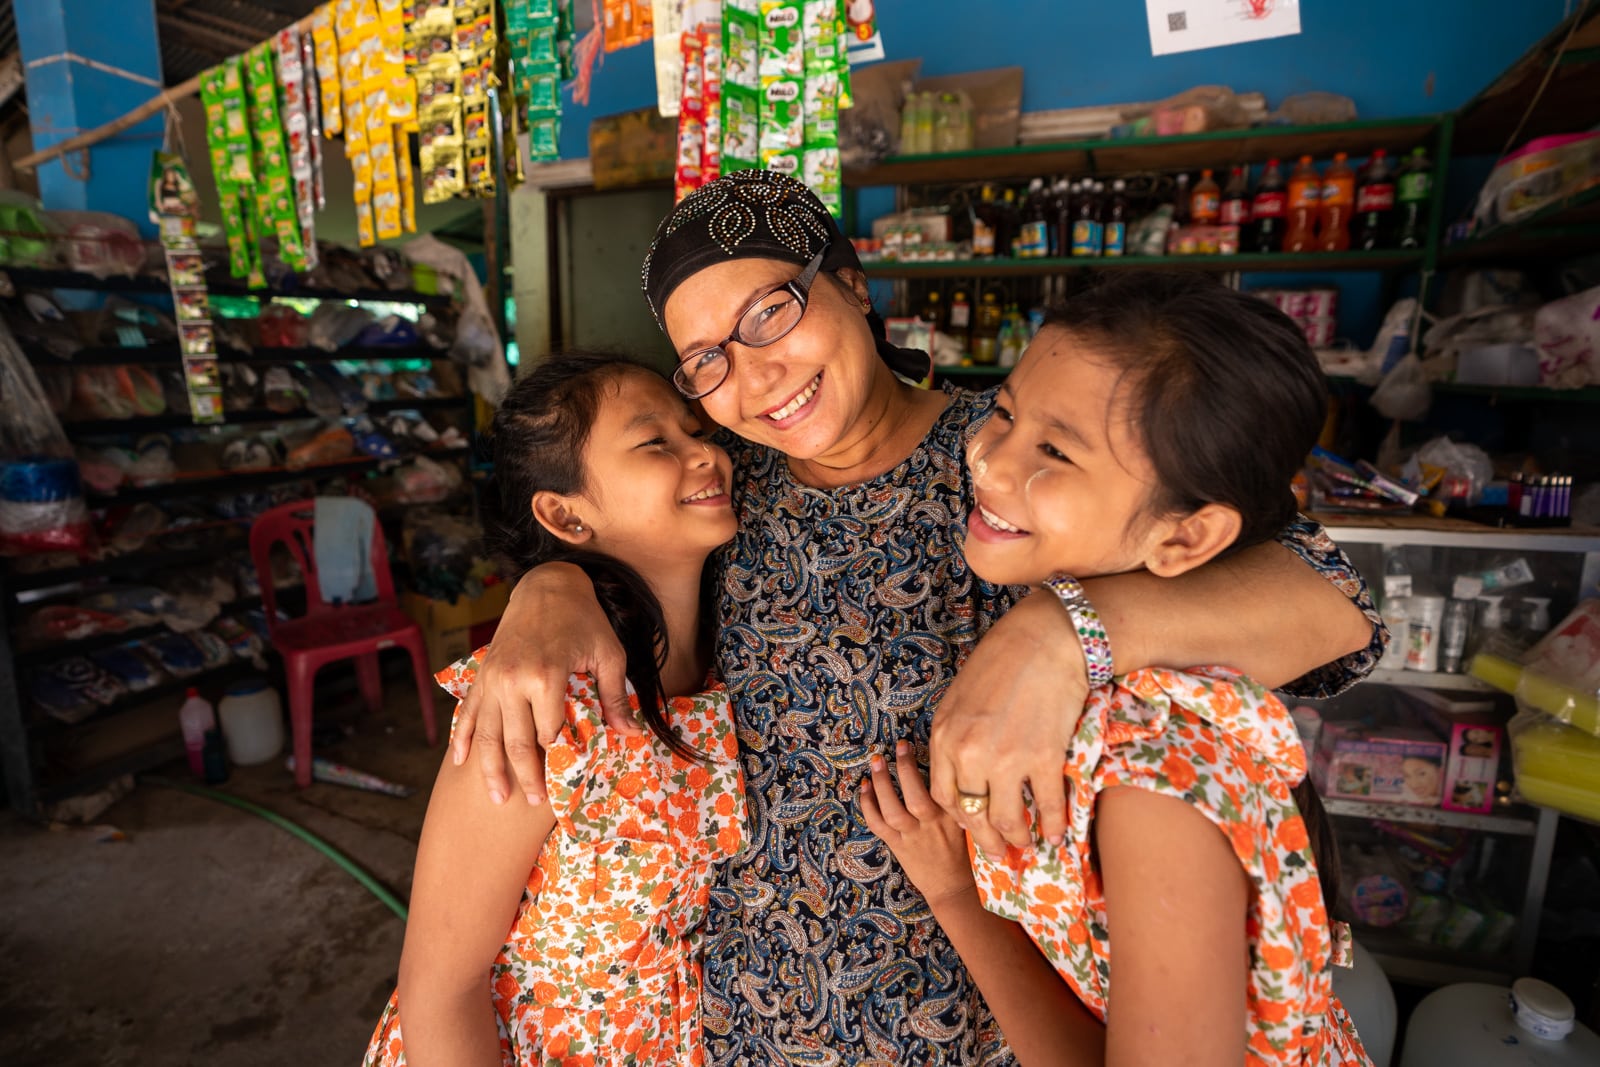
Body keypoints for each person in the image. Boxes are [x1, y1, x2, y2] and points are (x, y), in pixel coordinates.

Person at [452, 170, 1385, 1063]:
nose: (755, 372)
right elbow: (603, 554)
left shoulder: (1021, 468)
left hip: (1001, 1028)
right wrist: (551, 587)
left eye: (769, 311)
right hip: (752, 1024)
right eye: (707, 359)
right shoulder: (721, 494)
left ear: (853, 287)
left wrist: (1064, 631)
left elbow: (1337, 603)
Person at [859, 272, 1370, 1066]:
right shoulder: (1117, 676)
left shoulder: (1154, 774)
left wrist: (958, 897)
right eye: (1002, 410)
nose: (989, 460)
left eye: (1055, 450)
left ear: (1185, 537)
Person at [363, 352, 746, 1066]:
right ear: (565, 513)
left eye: (696, 431)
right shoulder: (540, 699)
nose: (707, 454)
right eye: (656, 443)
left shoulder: (738, 656)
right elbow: (439, 989)